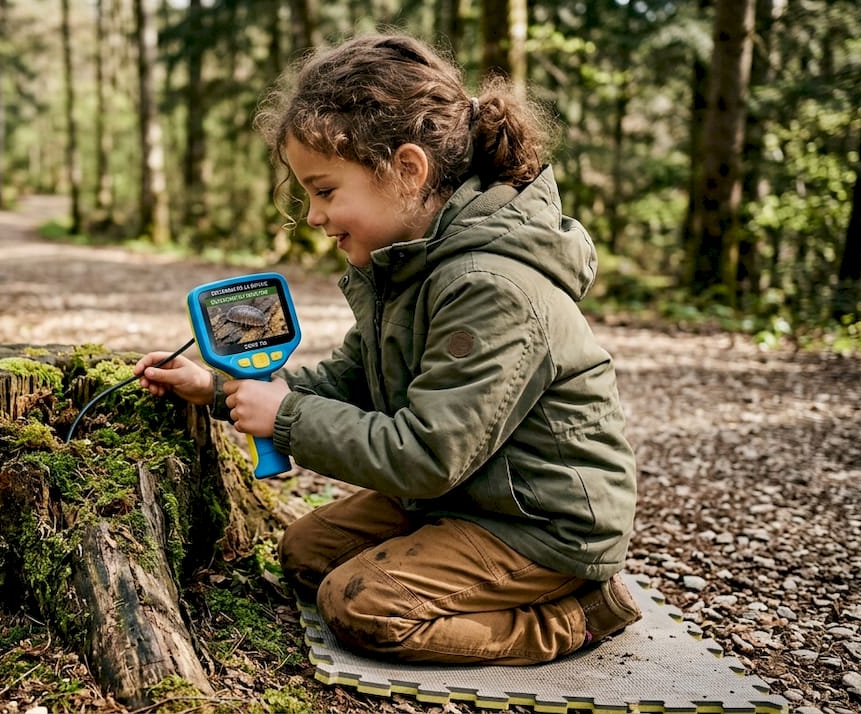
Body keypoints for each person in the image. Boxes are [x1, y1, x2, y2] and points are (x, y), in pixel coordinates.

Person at [133, 32, 640, 665]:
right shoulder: (409, 267)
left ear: (407, 170)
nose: (314, 217)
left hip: (538, 522)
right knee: (305, 552)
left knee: (362, 606)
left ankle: (576, 615)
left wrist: (286, 420)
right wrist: (217, 388)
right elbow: (352, 381)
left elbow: (429, 453)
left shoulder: (490, 286)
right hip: (464, 497)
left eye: (324, 191)